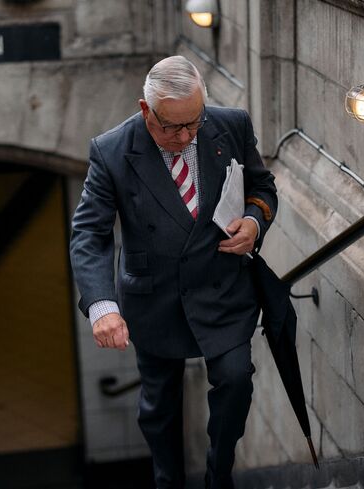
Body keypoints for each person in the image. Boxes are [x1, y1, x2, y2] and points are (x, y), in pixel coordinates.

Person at [69, 55, 278, 489]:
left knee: (236, 381)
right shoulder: (111, 151)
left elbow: (263, 187)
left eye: (193, 124)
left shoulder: (231, 125)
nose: (184, 137)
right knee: (159, 408)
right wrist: (102, 306)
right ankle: (168, 480)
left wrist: (255, 222)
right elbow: (89, 233)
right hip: (154, 299)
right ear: (146, 110)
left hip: (222, 289)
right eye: (171, 128)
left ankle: (218, 474)